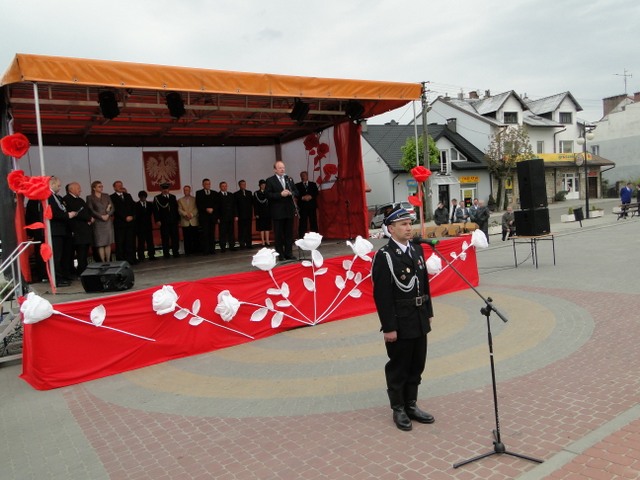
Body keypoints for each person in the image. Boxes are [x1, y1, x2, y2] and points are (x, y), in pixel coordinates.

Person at [371, 207, 435, 431]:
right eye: (403, 224)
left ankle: (411, 404)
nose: (409, 228)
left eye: (410, 224)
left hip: (418, 317)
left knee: (417, 364)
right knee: (399, 366)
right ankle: (398, 408)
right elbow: (382, 296)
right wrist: (389, 327)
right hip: (400, 320)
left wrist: (428, 312)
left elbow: (424, 284)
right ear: (391, 229)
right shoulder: (385, 256)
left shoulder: (417, 250)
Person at [265, 160, 298, 260]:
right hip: (278, 212)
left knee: (289, 234)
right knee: (279, 235)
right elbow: (268, 194)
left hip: (289, 210)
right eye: (280, 168)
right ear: (275, 170)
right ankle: (280, 255)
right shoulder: (270, 180)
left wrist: (291, 193)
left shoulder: (289, 179)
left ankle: (289, 253)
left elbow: (296, 191)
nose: (282, 169)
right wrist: (280, 194)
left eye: (283, 167)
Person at [48, 176, 77, 286]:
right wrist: (67, 215)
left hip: (62, 230)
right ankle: (57, 278)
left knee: (64, 255)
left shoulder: (57, 197)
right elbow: (53, 213)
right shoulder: (48, 197)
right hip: (55, 230)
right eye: (58, 185)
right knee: (57, 256)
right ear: (52, 184)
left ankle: (64, 275)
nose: (60, 188)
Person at [64, 182, 93, 276]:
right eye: (78, 188)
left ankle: (84, 270)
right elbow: (77, 213)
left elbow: (87, 210)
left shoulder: (80, 199)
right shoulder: (67, 199)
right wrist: (88, 218)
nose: (80, 190)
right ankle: (80, 272)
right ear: (71, 189)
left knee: (84, 253)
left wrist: (90, 218)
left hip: (85, 230)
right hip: (77, 231)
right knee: (79, 253)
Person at [86, 180, 114, 263]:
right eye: (99, 186)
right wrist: (101, 216)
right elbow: (90, 209)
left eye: (102, 186)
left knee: (108, 242)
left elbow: (112, 207)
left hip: (107, 221)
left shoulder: (106, 196)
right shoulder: (90, 197)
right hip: (98, 222)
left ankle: (108, 261)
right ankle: (103, 262)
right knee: (100, 243)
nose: (101, 188)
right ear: (94, 188)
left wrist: (108, 215)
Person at [110, 180, 137, 264]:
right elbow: (114, 210)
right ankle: (121, 261)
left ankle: (131, 259)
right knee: (120, 243)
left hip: (130, 224)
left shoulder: (128, 195)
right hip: (120, 224)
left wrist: (132, 216)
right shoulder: (111, 197)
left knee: (130, 242)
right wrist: (125, 217)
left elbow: (133, 206)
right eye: (118, 186)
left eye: (121, 185)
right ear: (114, 188)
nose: (120, 187)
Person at [153, 183, 180, 259]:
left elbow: (176, 209)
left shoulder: (173, 197)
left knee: (175, 237)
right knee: (165, 238)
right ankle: (166, 254)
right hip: (164, 222)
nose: (165, 190)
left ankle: (175, 252)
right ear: (161, 190)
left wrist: (178, 219)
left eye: (166, 189)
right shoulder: (157, 198)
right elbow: (155, 210)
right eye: (164, 189)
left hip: (173, 221)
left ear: (169, 189)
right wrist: (157, 220)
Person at [25, 199, 47, 282]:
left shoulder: (47, 199)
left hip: (48, 231)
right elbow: (29, 217)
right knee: (40, 254)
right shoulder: (32, 202)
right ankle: (42, 275)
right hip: (38, 232)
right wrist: (30, 233)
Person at [195, 178, 219, 255]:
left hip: (212, 217)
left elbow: (217, 204)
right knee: (205, 234)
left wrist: (213, 209)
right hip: (204, 217)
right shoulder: (199, 193)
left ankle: (212, 249)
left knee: (212, 233)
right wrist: (206, 209)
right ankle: (206, 250)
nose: (208, 185)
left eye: (209, 184)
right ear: (203, 185)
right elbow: (198, 204)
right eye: (206, 184)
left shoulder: (214, 193)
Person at [295, 171, 319, 238]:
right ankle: (302, 237)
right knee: (303, 222)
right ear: (300, 177)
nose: (303, 177)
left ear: (307, 176)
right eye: (302, 175)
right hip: (302, 206)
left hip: (311, 206)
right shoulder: (297, 185)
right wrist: (302, 197)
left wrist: (310, 196)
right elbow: (296, 194)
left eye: (304, 175)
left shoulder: (313, 184)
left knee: (313, 221)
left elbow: (316, 192)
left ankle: (315, 236)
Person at [134, 190, 156, 261]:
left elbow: (153, 213)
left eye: (144, 197)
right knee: (141, 242)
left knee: (150, 241)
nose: (143, 198)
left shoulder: (150, 204)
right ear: (139, 197)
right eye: (142, 197)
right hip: (139, 227)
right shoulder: (136, 205)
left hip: (148, 226)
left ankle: (151, 255)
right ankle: (141, 257)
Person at [178, 185, 199, 256]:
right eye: (185, 190)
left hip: (193, 221)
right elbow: (179, 209)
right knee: (186, 237)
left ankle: (195, 251)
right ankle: (187, 252)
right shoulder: (180, 200)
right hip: (185, 221)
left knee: (195, 237)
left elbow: (196, 208)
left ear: (190, 191)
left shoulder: (195, 199)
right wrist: (185, 214)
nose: (186, 191)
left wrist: (192, 214)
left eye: (187, 190)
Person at [217, 181, 237, 252]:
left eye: (225, 186)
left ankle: (232, 246)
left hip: (230, 216)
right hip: (222, 217)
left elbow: (234, 206)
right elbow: (217, 207)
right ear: (220, 187)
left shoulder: (230, 194)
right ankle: (223, 247)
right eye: (223, 186)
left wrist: (235, 215)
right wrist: (217, 217)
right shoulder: (217, 195)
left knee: (231, 232)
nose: (224, 187)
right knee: (222, 233)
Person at [234, 179, 254, 249]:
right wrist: (236, 215)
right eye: (242, 184)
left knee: (248, 230)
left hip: (248, 215)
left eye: (244, 184)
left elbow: (252, 203)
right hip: (241, 215)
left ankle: (249, 244)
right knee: (241, 230)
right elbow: (235, 206)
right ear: (239, 185)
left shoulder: (249, 193)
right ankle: (242, 244)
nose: (244, 185)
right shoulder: (236, 194)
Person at [253, 179, 271, 247]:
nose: (263, 186)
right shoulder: (256, 193)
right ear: (260, 185)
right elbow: (255, 204)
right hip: (260, 213)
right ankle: (263, 241)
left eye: (264, 185)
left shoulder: (268, 193)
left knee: (267, 227)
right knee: (261, 228)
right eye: (262, 185)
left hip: (268, 212)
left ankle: (267, 241)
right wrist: (256, 213)